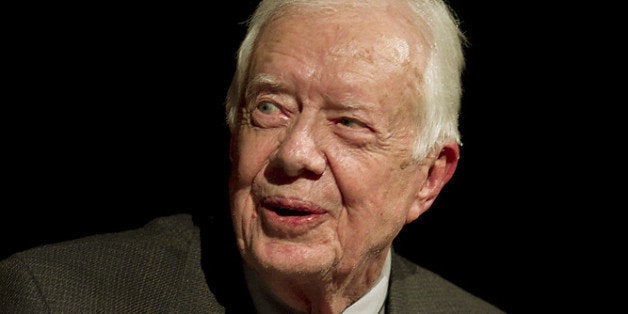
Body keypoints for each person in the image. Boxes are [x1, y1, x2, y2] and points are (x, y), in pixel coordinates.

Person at [1, 0, 504, 312]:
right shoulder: (54, 298)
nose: (294, 153)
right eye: (269, 108)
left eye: (348, 123)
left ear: (429, 178)